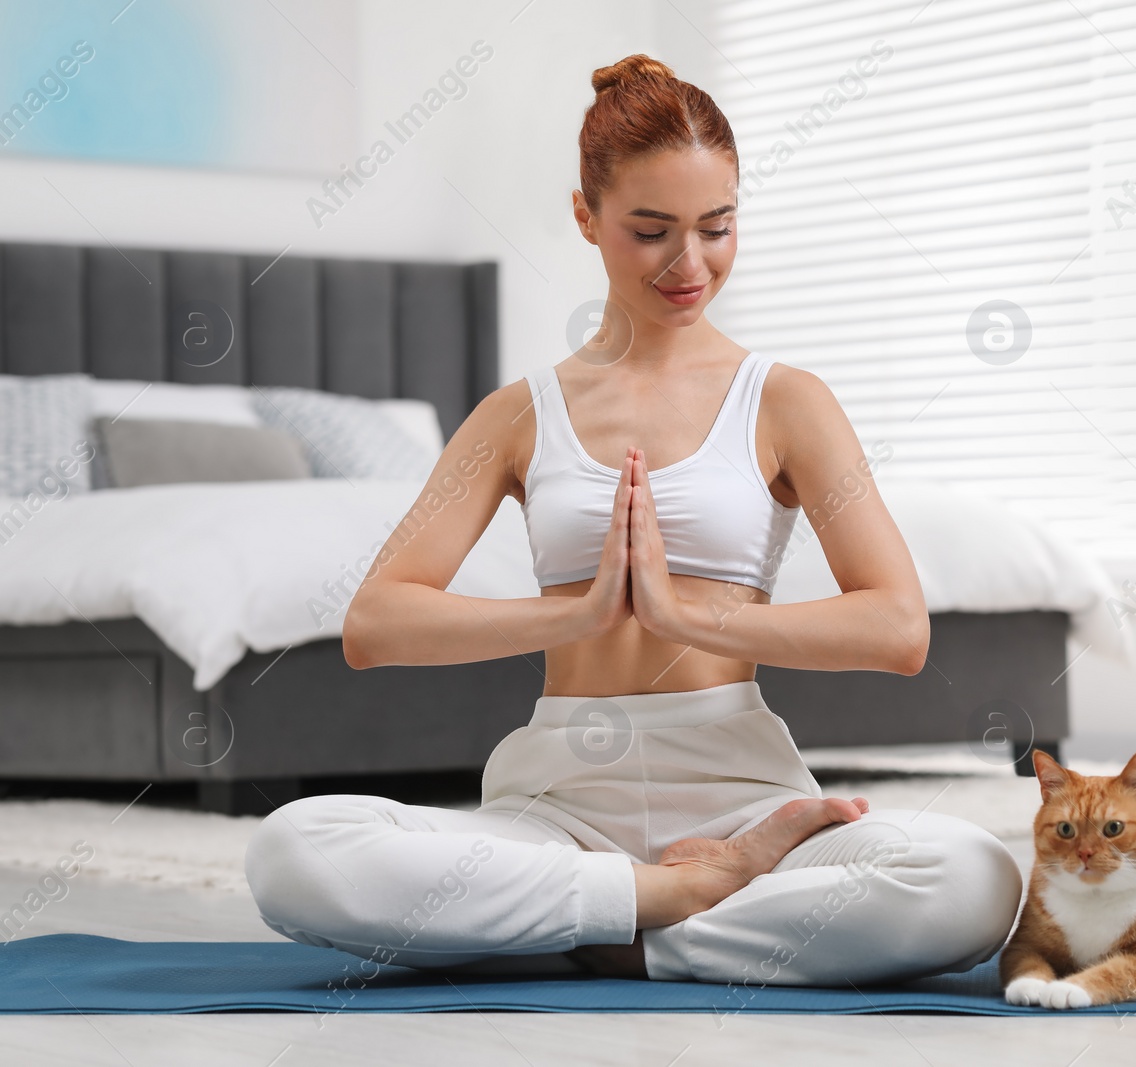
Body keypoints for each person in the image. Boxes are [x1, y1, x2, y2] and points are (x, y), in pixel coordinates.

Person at [244, 53, 1022, 987]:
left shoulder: (786, 402)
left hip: (745, 802)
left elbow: (898, 629)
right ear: (587, 216)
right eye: (651, 231)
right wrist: (576, 614)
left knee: (972, 878)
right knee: (295, 850)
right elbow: (375, 625)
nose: (690, 265)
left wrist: (690, 614)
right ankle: (668, 904)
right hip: (555, 807)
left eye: (717, 227)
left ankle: (600, 927)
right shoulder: (516, 414)